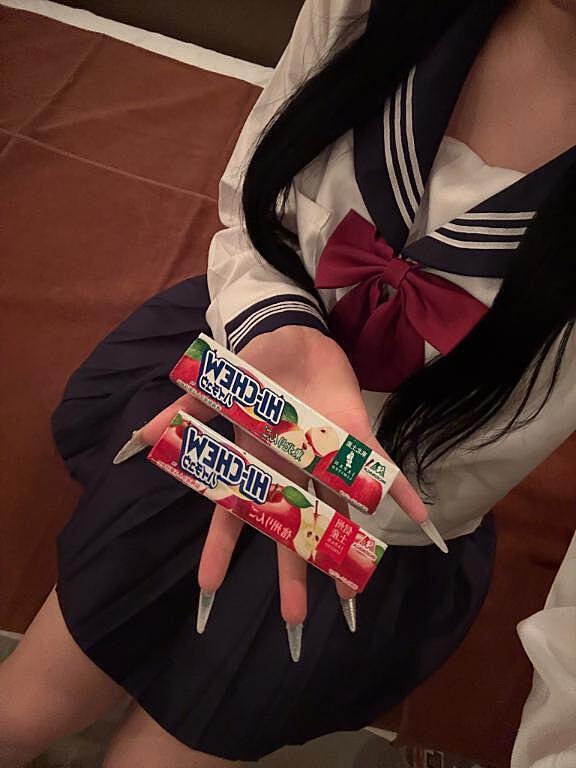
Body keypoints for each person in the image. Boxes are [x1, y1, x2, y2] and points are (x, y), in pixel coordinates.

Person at [2, 0, 576, 765]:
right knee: (27, 706)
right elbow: (256, 202)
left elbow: (491, 448)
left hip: (386, 507)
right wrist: (276, 335)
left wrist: (321, 469)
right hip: (239, 387)